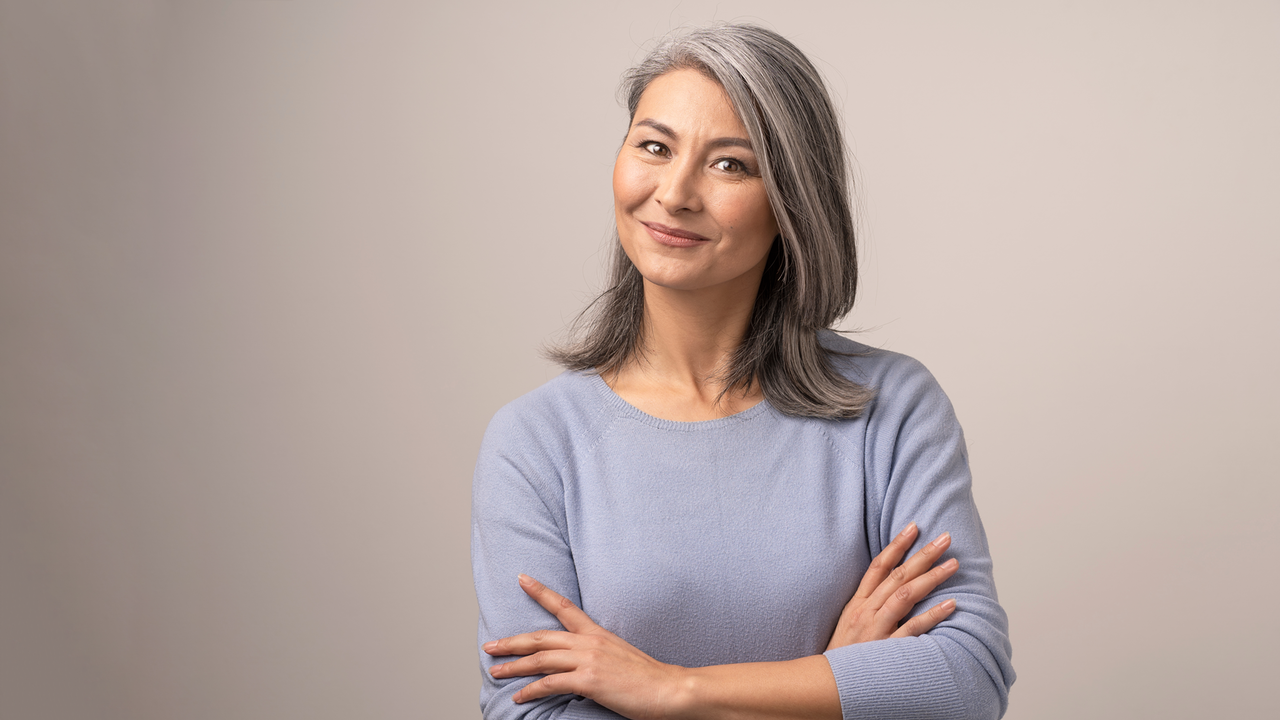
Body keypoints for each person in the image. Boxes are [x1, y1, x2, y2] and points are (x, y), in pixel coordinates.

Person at [471, 23, 1014, 720]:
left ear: (791, 201)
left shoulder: (892, 409)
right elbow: (529, 713)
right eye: (654, 147)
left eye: (730, 164)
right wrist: (834, 681)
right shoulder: (535, 443)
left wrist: (672, 691)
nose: (674, 193)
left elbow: (967, 682)